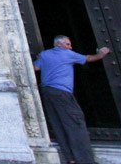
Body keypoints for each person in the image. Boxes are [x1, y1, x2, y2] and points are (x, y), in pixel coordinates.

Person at [33, 35, 111, 164]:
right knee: (75, 122)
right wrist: (101, 54)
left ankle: (71, 158)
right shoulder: (67, 54)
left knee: (58, 124)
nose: (70, 47)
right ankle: (84, 160)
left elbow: (35, 68)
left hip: (47, 92)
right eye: (68, 44)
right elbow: (88, 59)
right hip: (62, 93)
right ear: (59, 44)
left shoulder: (44, 54)